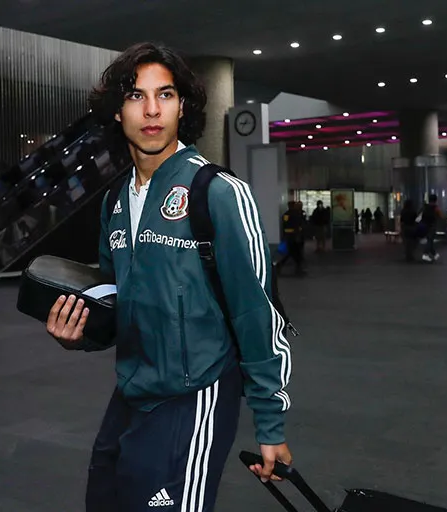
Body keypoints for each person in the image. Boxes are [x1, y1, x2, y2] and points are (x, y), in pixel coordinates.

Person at [45, 42, 293, 512]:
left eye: (166, 94)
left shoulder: (219, 193)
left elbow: (257, 314)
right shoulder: (114, 202)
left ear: (184, 106)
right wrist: (79, 333)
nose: (152, 109)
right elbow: (119, 306)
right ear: (117, 112)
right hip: (133, 392)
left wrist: (270, 423)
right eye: (136, 96)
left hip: (195, 395)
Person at [420, 194, 442, 262]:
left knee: (430, 240)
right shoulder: (435, 207)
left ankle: (435, 254)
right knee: (430, 240)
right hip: (432, 225)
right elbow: (441, 216)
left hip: (424, 225)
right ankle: (425, 254)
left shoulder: (425, 207)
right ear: (435, 200)